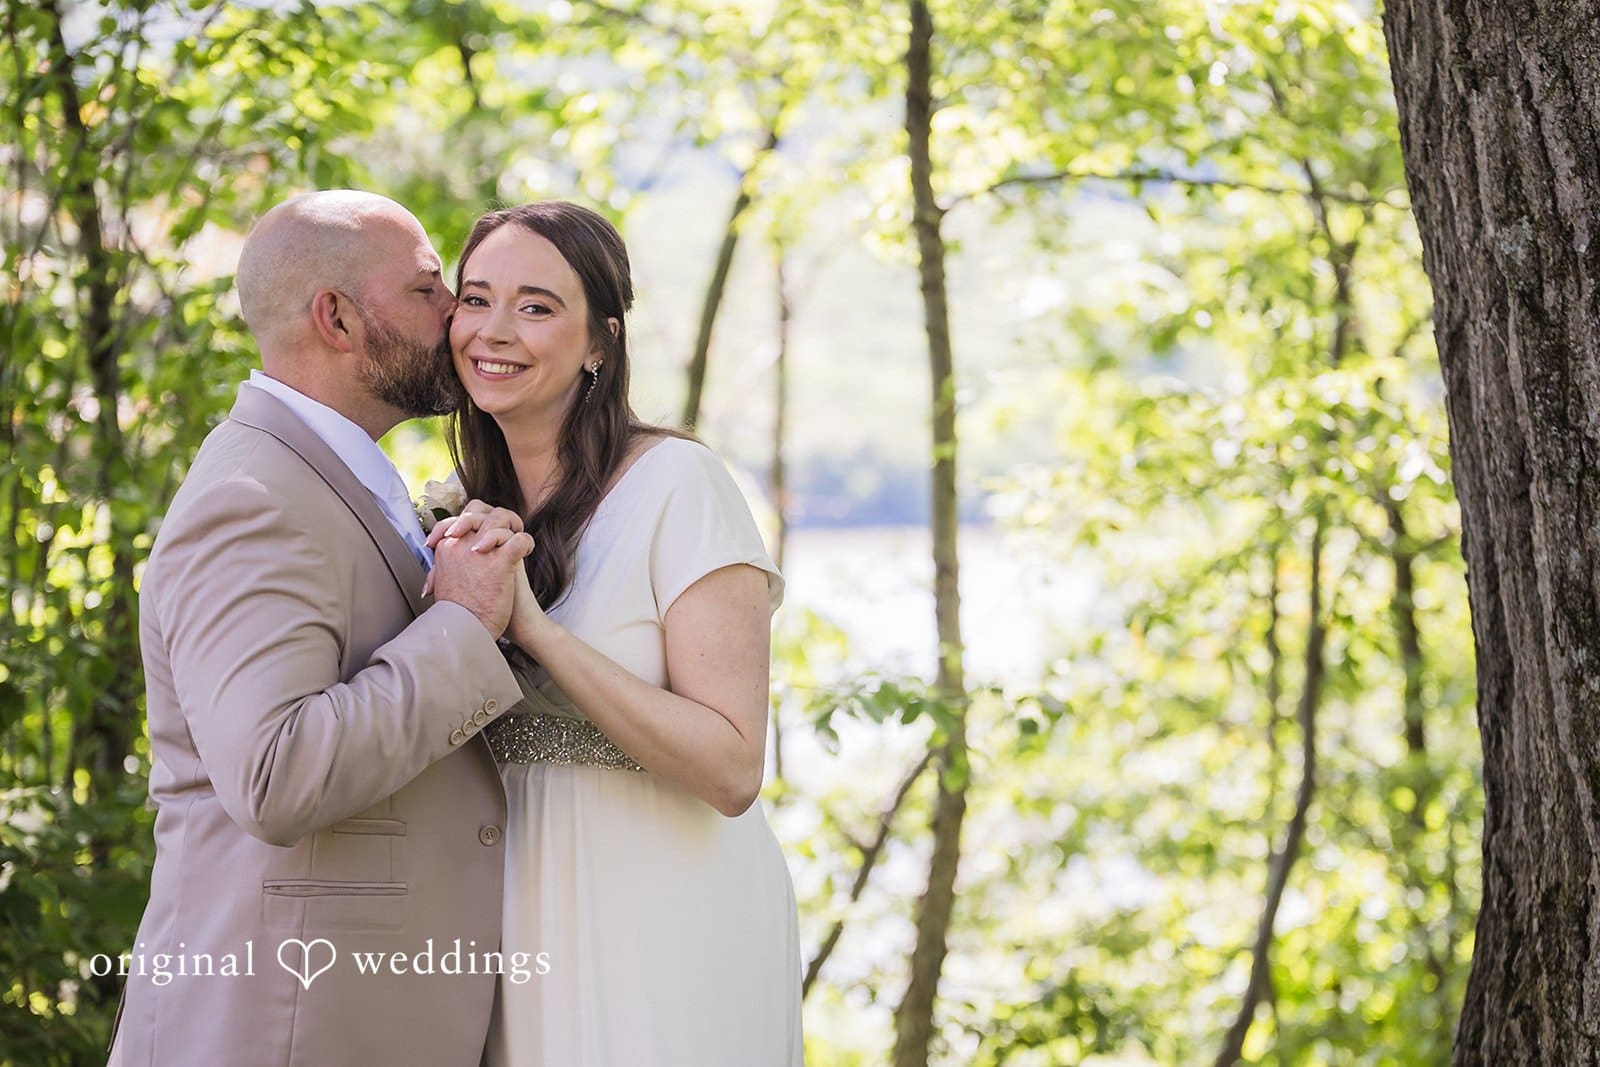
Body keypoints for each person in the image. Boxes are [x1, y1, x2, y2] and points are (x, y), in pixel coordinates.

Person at [109, 190, 534, 1067]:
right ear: (336, 317)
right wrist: (460, 621)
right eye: (426, 290)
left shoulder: (330, 476)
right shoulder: (250, 501)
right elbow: (277, 773)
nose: (457, 311)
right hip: (278, 1028)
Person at [433, 201, 803, 1064]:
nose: (494, 330)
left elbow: (732, 766)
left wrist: (532, 626)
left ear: (601, 340)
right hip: (509, 919)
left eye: (535, 306)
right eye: (475, 298)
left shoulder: (679, 485)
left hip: (667, 916)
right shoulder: (448, 509)